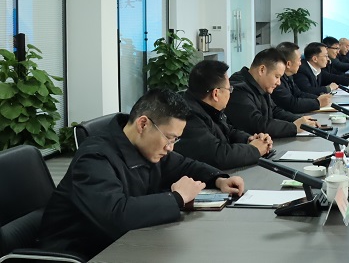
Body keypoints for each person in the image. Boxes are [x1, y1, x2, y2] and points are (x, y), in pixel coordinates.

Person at [38, 89, 245, 260]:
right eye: (169, 138)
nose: (170, 147)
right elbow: (116, 215)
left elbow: (184, 165)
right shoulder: (94, 158)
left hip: (123, 244)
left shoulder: (145, 146)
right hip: (81, 252)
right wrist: (177, 198)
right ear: (143, 124)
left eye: (175, 140)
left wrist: (218, 179)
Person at [174, 60, 273, 169]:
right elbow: (218, 156)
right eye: (229, 89)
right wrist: (255, 149)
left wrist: (250, 139)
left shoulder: (206, 106)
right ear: (216, 94)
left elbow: (227, 131)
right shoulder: (188, 116)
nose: (230, 93)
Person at [227, 48, 318, 138]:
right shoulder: (238, 89)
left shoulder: (260, 85)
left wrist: (300, 120)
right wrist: (294, 127)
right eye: (277, 77)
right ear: (262, 70)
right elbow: (257, 124)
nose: (279, 83)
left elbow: (275, 111)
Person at [271, 41, 333, 113]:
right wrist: (318, 102)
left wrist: (319, 98)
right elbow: (292, 104)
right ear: (288, 64)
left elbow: (299, 94)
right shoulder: (277, 81)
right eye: (299, 60)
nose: (300, 64)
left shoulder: (288, 76)